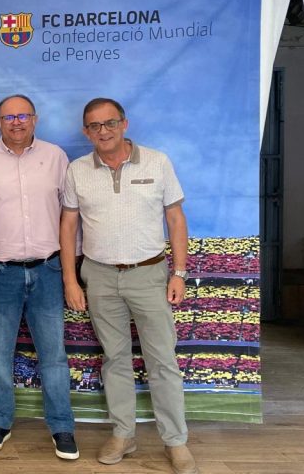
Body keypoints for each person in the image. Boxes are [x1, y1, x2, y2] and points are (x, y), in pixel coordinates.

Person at [59, 98, 197, 474]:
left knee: (162, 360)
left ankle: (176, 441)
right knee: (115, 359)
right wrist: (70, 278)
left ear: (124, 124)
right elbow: (68, 225)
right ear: (86, 131)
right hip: (99, 275)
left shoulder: (157, 162)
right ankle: (123, 434)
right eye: (94, 126)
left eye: (110, 123)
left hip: (149, 274)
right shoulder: (77, 170)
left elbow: (175, 217)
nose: (103, 131)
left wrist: (179, 273)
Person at [0, 94, 79, 461]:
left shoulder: (55, 156)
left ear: (35, 119)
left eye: (23, 115)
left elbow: (70, 217)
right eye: (9, 117)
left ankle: (62, 426)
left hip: (48, 269)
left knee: (53, 354)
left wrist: (72, 271)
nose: (16, 122)